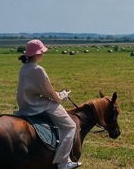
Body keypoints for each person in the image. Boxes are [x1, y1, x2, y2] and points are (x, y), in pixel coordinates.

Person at [16, 40, 80, 169]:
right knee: (70, 126)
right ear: (37, 54)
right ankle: (63, 162)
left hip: (25, 105)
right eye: (42, 52)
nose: (43, 55)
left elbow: (40, 90)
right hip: (37, 106)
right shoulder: (38, 70)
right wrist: (62, 95)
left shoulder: (24, 68)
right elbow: (51, 95)